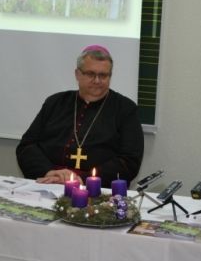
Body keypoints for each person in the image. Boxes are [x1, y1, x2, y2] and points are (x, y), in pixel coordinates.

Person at [16, 45, 144, 187]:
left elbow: (129, 160)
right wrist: (48, 172)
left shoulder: (126, 109)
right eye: (90, 74)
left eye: (103, 75)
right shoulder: (55, 102)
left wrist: (84, 179)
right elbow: (27, 146)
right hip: (48, 183)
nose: (97, 80)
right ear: (77, 74)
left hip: (96, 189)